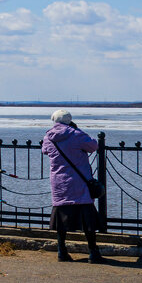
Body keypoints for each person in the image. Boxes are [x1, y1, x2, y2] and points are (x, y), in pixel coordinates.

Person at [41, 109, 105, 263]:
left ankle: (62, 252)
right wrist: (76, 129)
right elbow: (93, 146)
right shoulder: (76, 134)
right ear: (70, 121)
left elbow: (44, 150)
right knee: (87, 219)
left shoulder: (48, 137)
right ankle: (93, 253)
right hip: (79, 182)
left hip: (59, 183)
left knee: (61, 218)